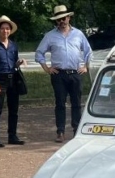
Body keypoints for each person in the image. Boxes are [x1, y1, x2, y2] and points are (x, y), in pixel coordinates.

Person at [35, 5, 93, 143]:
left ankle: (76, 131)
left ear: (68, 18)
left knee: (76, 103)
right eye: (58, 19)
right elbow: (39, 53)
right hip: (59, 74)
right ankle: (60, 131)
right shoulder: (50, 36)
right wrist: (46, 68)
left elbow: (88, 51)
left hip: (75, 73)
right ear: (56, 21)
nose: (61, 21)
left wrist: (86, 66)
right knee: (60, 103)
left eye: (63, 18)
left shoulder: (78, 34)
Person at [0, 15, 26, 148]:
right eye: (2, 29)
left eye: (7, 29)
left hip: (13, 78)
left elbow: (14, 63)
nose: (5, 31)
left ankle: (12, 135)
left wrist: (19, 62)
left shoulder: (13, 45)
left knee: (14, 109)